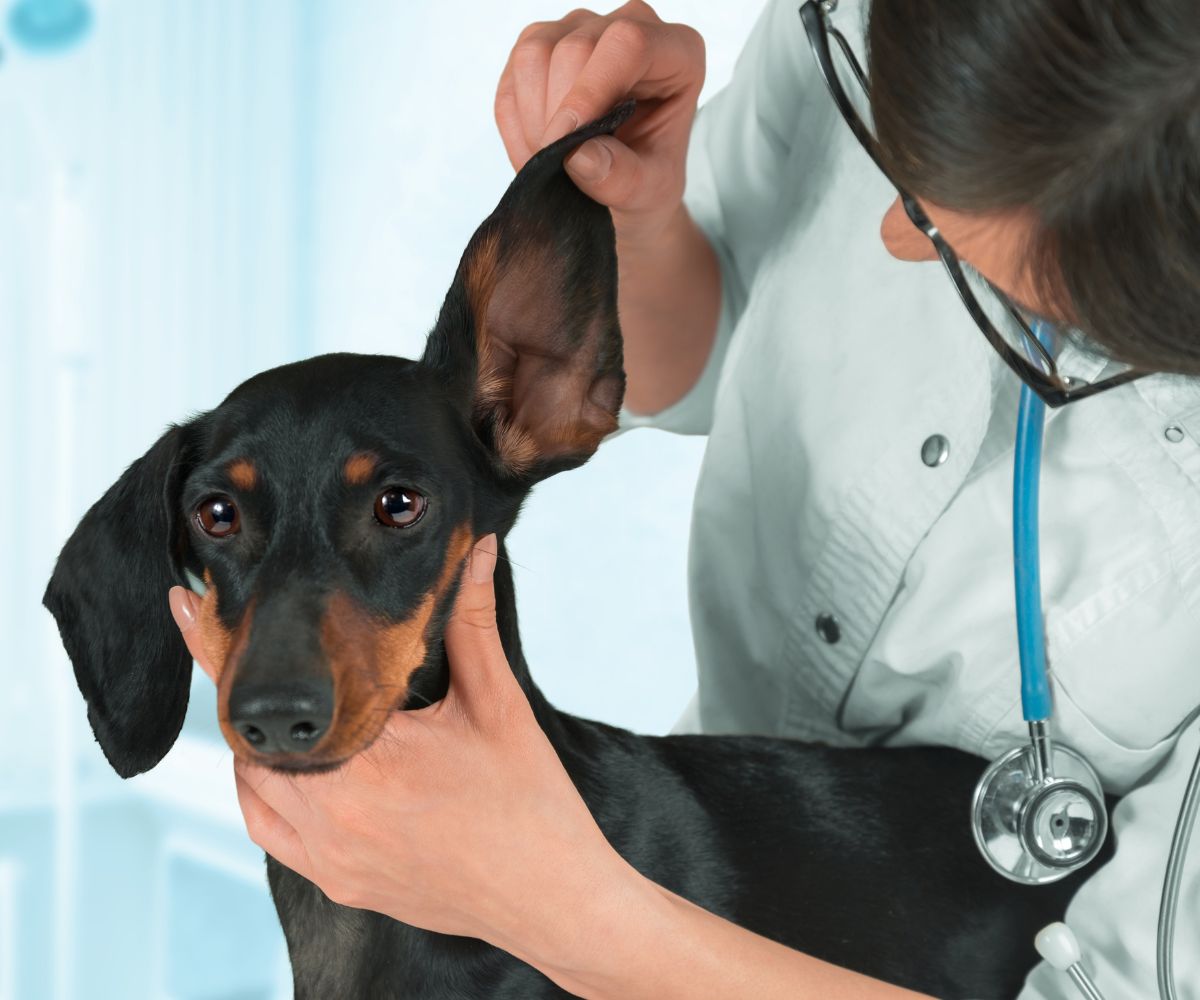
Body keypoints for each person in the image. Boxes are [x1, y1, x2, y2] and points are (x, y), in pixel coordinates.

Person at [168, 0, 1200, 995]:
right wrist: (647, 219)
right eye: (891, 151)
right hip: (684, 825)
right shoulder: (879, 23)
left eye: (975, 257)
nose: (890, 235)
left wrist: (558, 903)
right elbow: (711, 338)